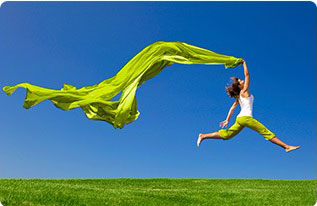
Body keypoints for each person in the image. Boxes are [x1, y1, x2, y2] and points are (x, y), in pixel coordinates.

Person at [196, 60, 300, 153]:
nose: (243, 81)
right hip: (246, 118)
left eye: (242, 80)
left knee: (227, 135)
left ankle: (203, 136)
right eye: (241, 81)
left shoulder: (239, 97)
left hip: (240, 119)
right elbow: (247, 74)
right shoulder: (244, 91)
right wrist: (244, 63)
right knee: (265, 132)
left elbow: (233, 108)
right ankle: (286, 147)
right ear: (240, 86)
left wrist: (227, 120)